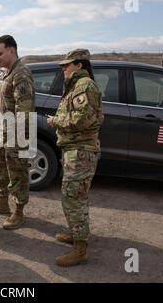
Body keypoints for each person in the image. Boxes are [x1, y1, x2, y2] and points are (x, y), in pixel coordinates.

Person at [46, 49, 104, 266]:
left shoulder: (84, 86)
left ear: (80, 65)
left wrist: (56, 121)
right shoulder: (76, 86)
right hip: (74, 150)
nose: (63, 68)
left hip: (81, 151)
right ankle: (76, 234)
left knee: (74, 198)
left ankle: (80, 249)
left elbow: (84, 119)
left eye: (67, 65)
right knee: (73, 196)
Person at [0, 35, 34, 230]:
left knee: (18, 171)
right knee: (1, 168)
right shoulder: (6, 72)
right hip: (4, 130)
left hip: (18, 133)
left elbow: (24, 110)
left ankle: (19, 211)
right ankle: (3, 203)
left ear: (11, 50)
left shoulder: (21, 74)